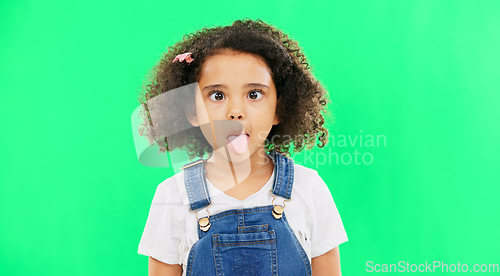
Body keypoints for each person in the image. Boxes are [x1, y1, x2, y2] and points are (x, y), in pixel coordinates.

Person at [136, 19, 348, 275]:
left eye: (254, 94)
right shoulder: (172, 197)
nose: (235, 111)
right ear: (192, 112)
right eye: (217, 95)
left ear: (279, 109)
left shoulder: (309, 189)